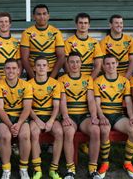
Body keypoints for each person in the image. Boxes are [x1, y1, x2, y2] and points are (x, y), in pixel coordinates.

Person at [94, 54, 133, 179]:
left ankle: (127, 162)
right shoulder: (98, 81)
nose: (110, 66)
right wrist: (101, 116)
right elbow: (96, 103)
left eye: (113, 63)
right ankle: (104, 163)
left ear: (117, 64)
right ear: (103, 66)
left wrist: (131, 117)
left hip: (118, 116)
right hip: (104, 115)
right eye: (107, 64)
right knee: (104, 130)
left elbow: (128, 102)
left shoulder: (124, 81)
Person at [58, 51, 101, 179]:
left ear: (81, 63)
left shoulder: (87, 79)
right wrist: (65, 116)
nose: (74, 64)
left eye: (77, 61)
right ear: (67, 63)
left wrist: (94, 116)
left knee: (95, 130)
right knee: (69, 132)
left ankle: (93, 168)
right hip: (69, 116)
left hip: (84, 116)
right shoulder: (62, 79)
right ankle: (70, 169)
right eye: (72, 62)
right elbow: (62, 101)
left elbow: (91, 100)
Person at [0, 58, 32, 179]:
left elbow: (27, 108)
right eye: (8, 68)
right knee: (5, 136)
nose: (11, 71)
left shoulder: (26, 85)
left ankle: (23, 169)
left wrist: (19, 124)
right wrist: (10, 125)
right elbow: (0, 109)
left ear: (19, 71)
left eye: (14, 68)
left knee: (25, 135)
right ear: (4, 70)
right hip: (5, 118)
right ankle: (6, 169)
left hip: (20, 117)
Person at [28, 56, 63, 179]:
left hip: (50, 116)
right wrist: (37, 120)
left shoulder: (55, 84)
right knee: (33, 132)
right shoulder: (28, 84)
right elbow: (28, 107)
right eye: (38, 65)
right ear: (34, 67)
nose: (41, 68)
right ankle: (37, 169)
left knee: (59, 132)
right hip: (35, 117)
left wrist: (51, 121)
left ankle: (54, 169)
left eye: (44, 65)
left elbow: (56, 106)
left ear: (48, 67)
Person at [20, 4, 65, 79]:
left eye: (44, 14)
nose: (42, 17)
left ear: (48, 16)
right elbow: (24, 59)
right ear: (33, 16)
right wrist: (33, 78)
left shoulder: (56, 32)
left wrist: (51, 78)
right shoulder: (27, 33)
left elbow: (61, 57)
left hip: (51, 73)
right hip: (33, 73)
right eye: (39, 14)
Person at [64, 13, 103, 79]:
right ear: (76, 24)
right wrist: (73, 78)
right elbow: (65, 63)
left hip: (89, 78)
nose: (83, 25)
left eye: (85, 23)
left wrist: (90, 80)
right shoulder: (68, 42)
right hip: (72, 78)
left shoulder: (94, 43)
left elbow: (98, 65)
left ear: (89, 25)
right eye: (80, 23)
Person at [99, 14, 133, 79]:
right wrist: (111, 77)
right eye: (116, 23)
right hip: (110, 77)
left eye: (121, 23)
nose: (119, 25)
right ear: (110, 25)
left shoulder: (130, 40)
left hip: (126, 76)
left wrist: (126, 77)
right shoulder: (104, 42)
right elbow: (102, 63)